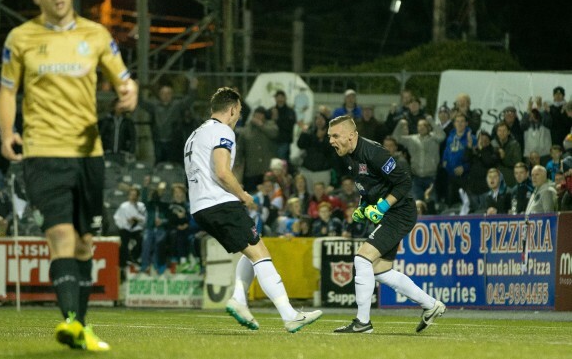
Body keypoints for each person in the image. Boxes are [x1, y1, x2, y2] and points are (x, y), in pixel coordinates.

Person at [0, 0, 138, 351]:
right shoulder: (20, 38)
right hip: (42, 153)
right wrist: (8, 133)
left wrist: (129, 94)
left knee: (84, 244)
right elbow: (8, 91)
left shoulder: (95, 35)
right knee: (60, 236)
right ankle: (71, 321)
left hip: (87, 154)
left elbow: (124, 80)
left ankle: (81, 327)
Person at [184, 87, 322, 333]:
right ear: (233, 109)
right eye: (239, 112)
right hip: (219, 202)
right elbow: (222, 171)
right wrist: (243, 195)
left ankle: (239, 299)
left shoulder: (196, 134)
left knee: (252, 248)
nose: (239, 117)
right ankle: (289, 315)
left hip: (199, 206)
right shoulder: (222, 130)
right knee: (261, 254)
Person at [327, 115, 445, 334]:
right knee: (380, 271)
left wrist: (381, 207)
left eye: (335, 136)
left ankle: (363, 323)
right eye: (329, 136)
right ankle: (431, 305)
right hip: (389, 213)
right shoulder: (348, 155)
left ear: (351, 136)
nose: (331, 141)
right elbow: (367, 186)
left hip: (399, 212)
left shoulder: (374, 152)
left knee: (362, 259)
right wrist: (363, 207)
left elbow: (404, 181)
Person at [393, 116, 446, 200]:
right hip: (416, 178)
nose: (421, 127)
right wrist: (400, 124)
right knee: (416, 204)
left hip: (431, 177)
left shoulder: (434, 137)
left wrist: (431, 121)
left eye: (424, 125)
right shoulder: (412, 139)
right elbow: (396, 138)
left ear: (428, 127)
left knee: (430, 203)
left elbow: (442, 136)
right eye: (419, 125)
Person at [114, 187, 147, 275]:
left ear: (138, 196)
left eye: (135, 195)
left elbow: (145, 219)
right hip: (125, 228)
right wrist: (125, 223)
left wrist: (137, 218)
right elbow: (117, 218)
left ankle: (133, 257)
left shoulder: (141, 206)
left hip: (137, 229)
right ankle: (122, 264)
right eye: (131, 195)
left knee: (141, 240)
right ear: (129, 196)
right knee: (123, 243)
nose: (133, 197)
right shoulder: (123, 206)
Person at [98, 97, 137, 164]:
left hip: (123, 153)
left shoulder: (127, 122)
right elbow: (101, 135)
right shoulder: (107, 121)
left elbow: (133, 137)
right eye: (118, 105)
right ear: (114, 106)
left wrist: (131, 152)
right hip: (108, 152)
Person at [268, 90, 297, 162]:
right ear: (275, 99)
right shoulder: (271, 110)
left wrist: (277, 119)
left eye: (282, 97)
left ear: (285, 98)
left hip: (284, 141)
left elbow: (289, 126)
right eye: (278, 97)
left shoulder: (290, 112)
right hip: (272, 141)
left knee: (281, 161)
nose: (280, 99)